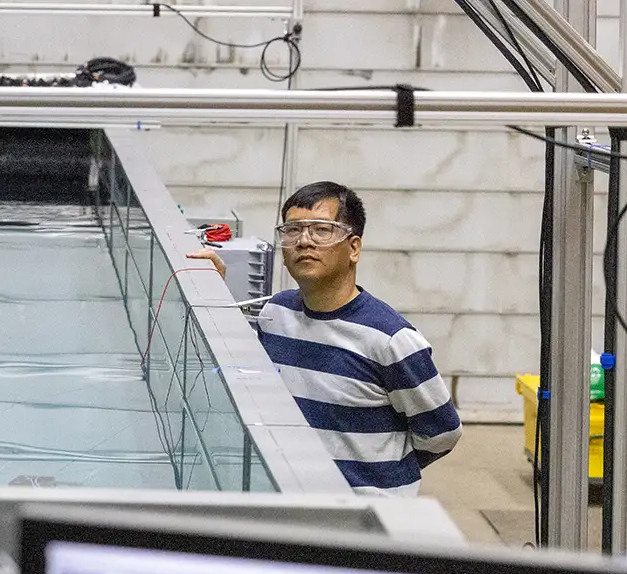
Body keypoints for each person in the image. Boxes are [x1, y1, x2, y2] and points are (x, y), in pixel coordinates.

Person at [189, 181, 460, 495]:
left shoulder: (391, 340)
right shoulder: (275, 314)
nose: (304, 241)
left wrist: (379, 473)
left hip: (367, 520)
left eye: (321, 229)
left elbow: (443, 433)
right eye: (292, 230)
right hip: (296, 503)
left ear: (354, 247)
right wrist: (213, 292)